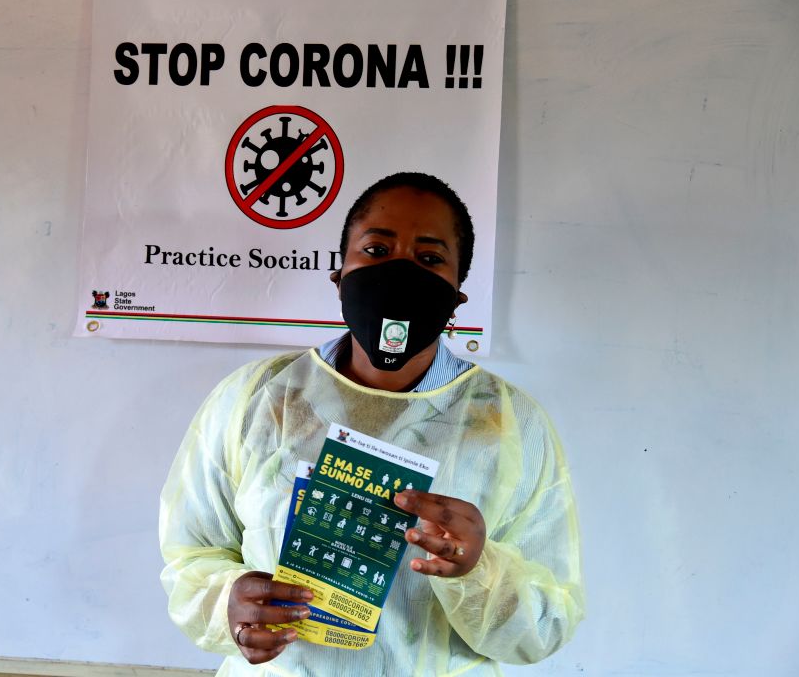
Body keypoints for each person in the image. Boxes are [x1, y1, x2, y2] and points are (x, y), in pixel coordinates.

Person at [160, 173, 584, 676]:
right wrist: (228, 605)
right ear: (339, 274)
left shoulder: (509, 425)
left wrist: (478, 570)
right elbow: (193, 555)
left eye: (429, 259)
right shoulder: (257, 399)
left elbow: (549, 620)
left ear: (457, 296)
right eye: (377, 250)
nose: (400, 273)